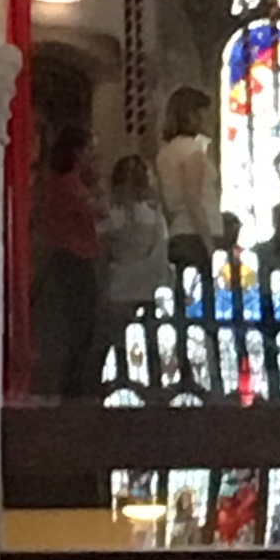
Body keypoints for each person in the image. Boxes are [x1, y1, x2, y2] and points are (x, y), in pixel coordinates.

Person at [32, 124, 104, 398]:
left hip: (70, 256)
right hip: (74, 258)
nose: (93, 155)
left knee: (80, 327)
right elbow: (97, 211)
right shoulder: (68, 185)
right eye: (90, 149)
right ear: (78, 152)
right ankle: (74, 388)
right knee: (80, 327)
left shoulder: (60, 183)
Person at [92, 155, 169, 387]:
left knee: (113, 344)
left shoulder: (112, 214)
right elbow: (163, 244)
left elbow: (99, 245)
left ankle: (112, 386)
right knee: (150, 343)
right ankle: (154, 387)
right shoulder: (154, 213)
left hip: (120, 286)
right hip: (150, 285)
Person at [155, 85, 223, 278]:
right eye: (204, 112)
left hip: (178, 232)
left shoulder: (165, 151)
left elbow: (167, 200)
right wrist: (209, 245)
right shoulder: (192, 150)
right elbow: (192, 199)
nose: (208, 118)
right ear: (192, 114)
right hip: (196, 237)